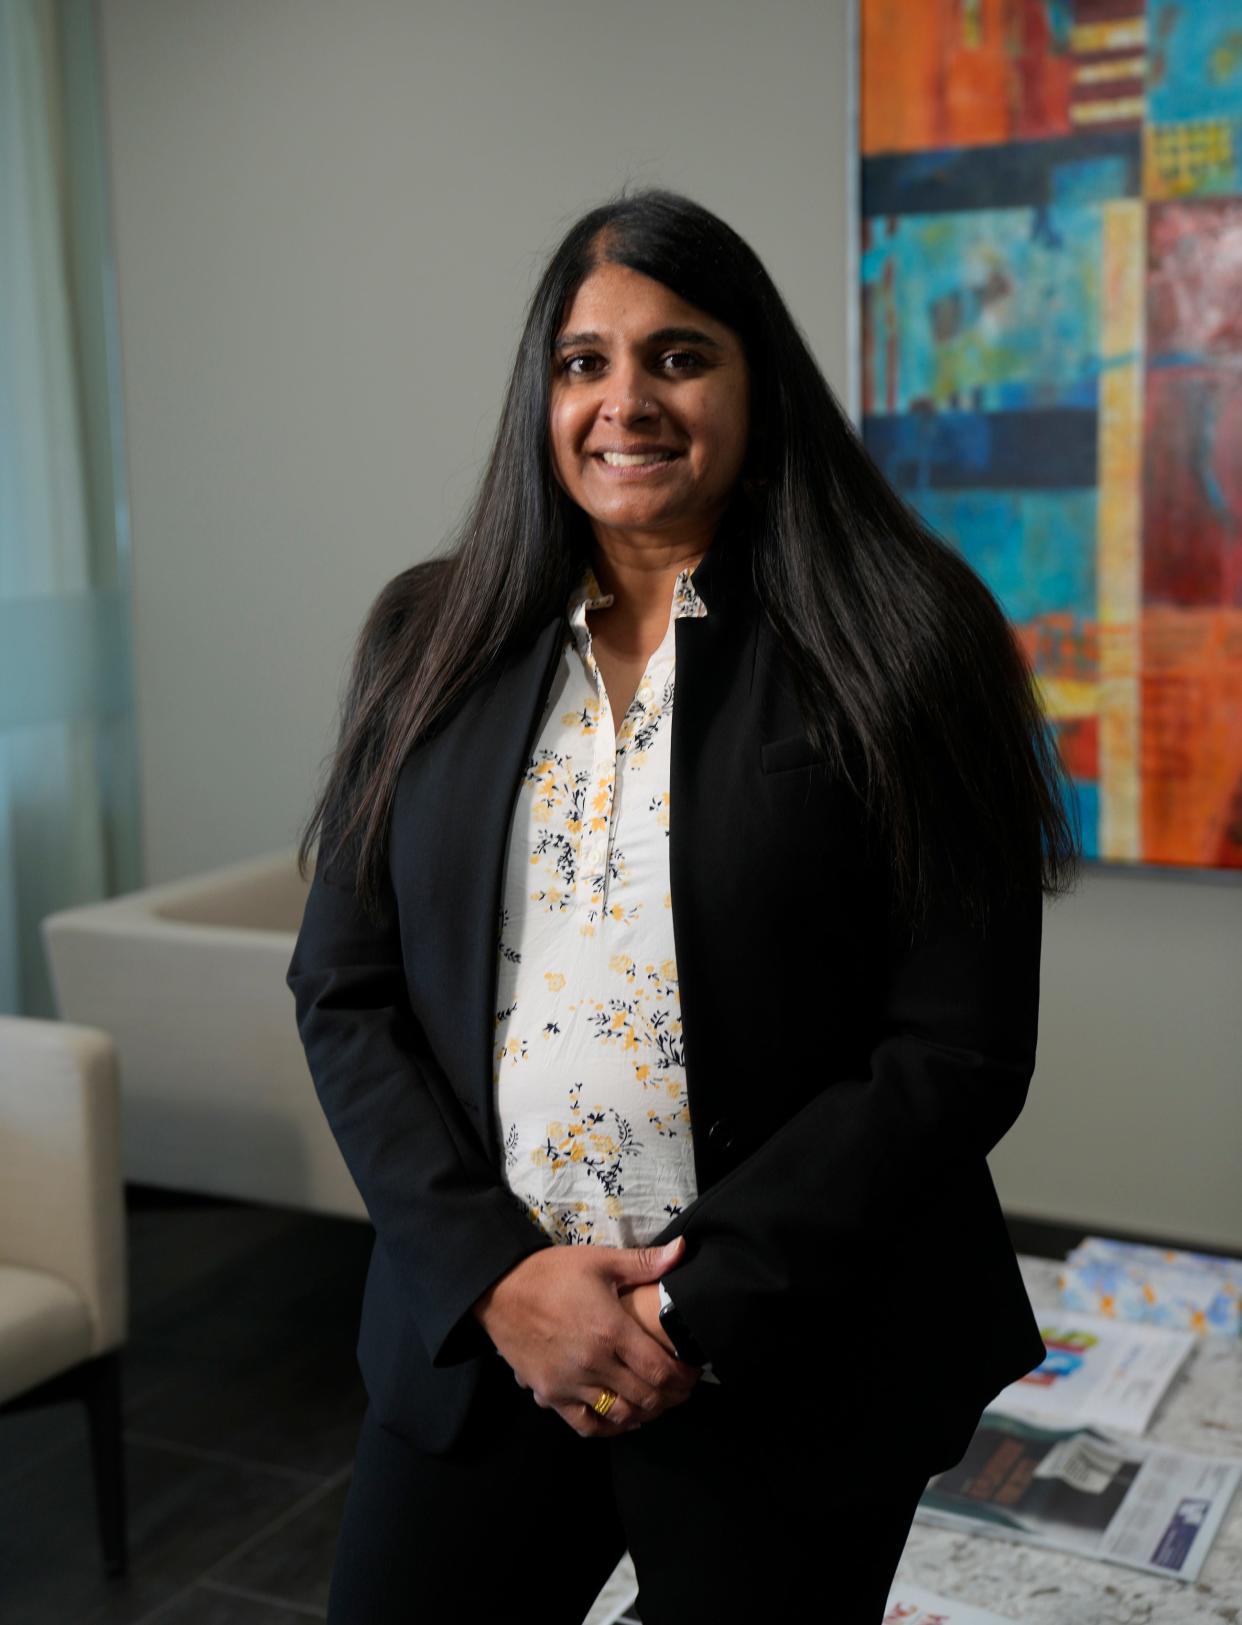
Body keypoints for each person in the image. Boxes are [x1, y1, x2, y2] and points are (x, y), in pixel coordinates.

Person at [286, 187, 1080, 1624]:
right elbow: (344, 989)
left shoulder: (903, 630)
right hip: (484, 1343)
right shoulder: (428, 634)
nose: (623, 400)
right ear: (542, 396)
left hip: (789, 1353)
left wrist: (684, 1307)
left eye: (678, 354)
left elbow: (952, 1044)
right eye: (583, 361)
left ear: (754, 382)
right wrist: (498, 1279)